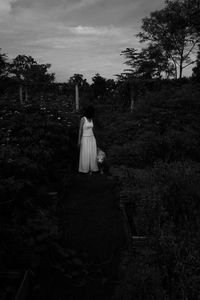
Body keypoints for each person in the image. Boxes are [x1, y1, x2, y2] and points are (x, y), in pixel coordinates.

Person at [78, 105, 99, 174]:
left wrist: (96, 138)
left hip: (92, 138)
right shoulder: (83, 119)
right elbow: (80, 130)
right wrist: (79, 140)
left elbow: (93, 130)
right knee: (85, 154)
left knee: (92, 154)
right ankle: (84, 169)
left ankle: (92, 168)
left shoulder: (91, 119)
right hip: (85, 138)